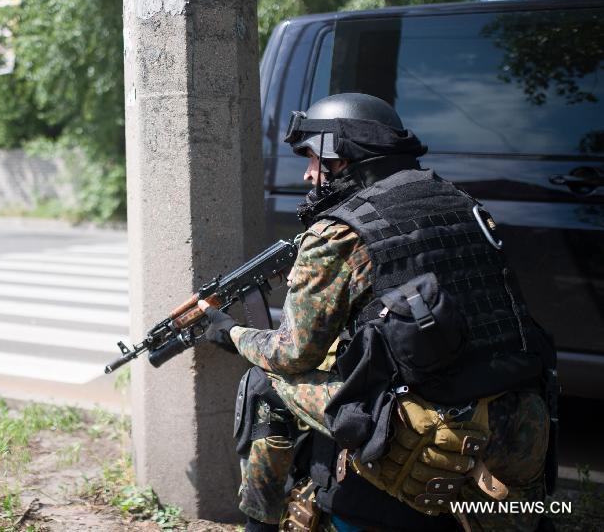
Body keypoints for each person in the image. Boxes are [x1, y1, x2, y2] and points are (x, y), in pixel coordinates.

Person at [198, 93, 557, 532]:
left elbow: (292, 355)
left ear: (344, 159)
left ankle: (261, 525)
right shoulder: (463, 204)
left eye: (313, 159)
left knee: (265, 380)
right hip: (524, 424)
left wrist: (232, 333)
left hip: (435, 431)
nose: (309, 174)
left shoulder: (338, 233)